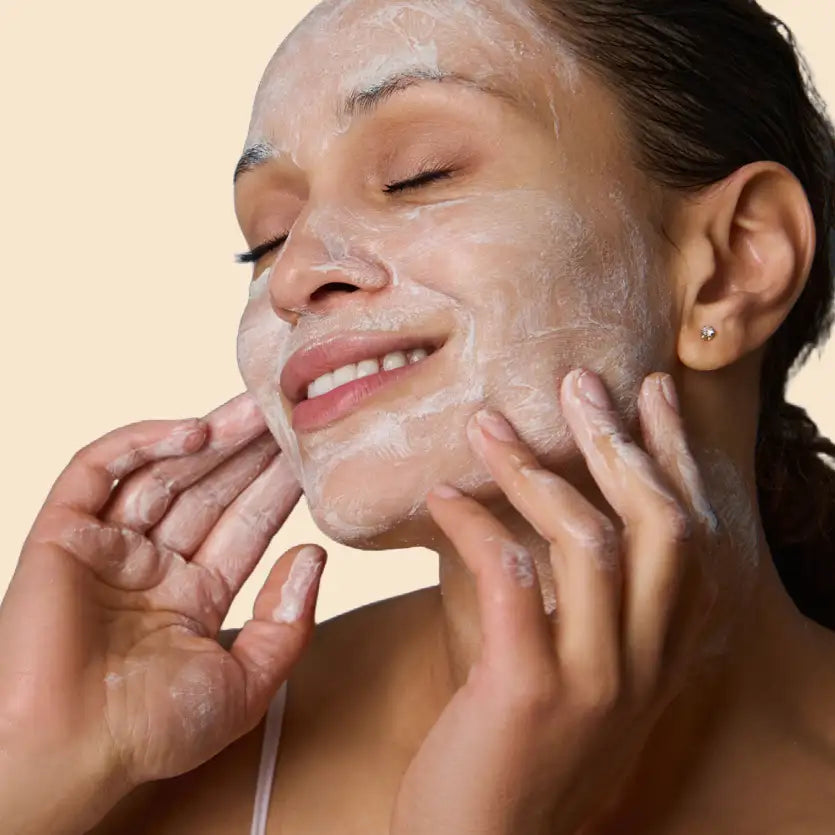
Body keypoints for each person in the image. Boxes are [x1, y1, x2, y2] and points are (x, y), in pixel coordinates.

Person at [3, 0, 835, 832]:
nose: (293, 276)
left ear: (732, 262)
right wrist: (28, 761)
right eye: (265, 238)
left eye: (418, 175)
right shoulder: (150, 752)